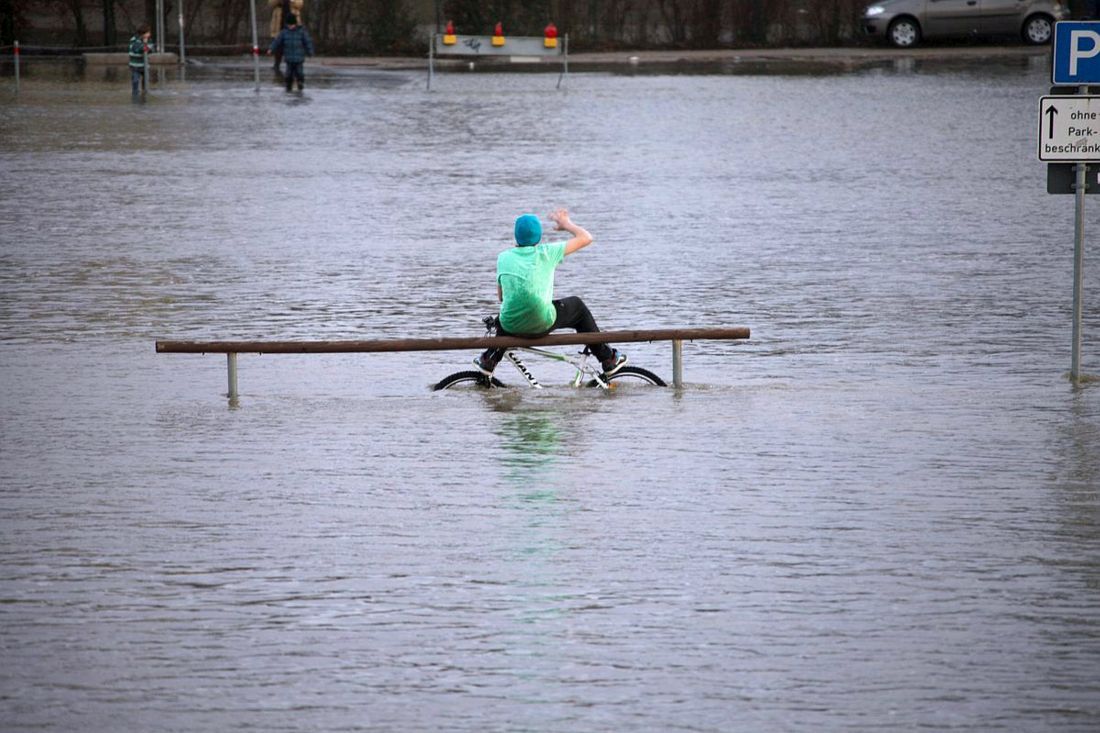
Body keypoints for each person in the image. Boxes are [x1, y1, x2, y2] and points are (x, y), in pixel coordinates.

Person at [475, 209, 627, 377]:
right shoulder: (547, 252)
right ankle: (607, 358)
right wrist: (566, 224)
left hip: (511, 326)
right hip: (541, 323)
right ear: (539, 237)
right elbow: (586, 238)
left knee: (506, 315)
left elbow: (501, 297)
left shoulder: (504, 257)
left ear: (516, 236)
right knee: (577, 306)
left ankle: (490, 359)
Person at [268, 13, 314, 92]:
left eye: (292, 25)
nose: (290, 26)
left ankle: (300, 83)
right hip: (289, 57)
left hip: (299, 57)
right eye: (289, 25)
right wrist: (271, 49)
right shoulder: (284, 32)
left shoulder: (301, 32)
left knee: (299, 72)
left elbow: (307, 42)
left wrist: (310, 51)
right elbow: (277, 41)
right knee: (288, 73)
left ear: (295, 24)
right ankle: (288, 84)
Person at [268, 0, 304, 73]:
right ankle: (277, 64)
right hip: (279, 20)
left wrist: (292, 1)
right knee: (278, 43)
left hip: (292, 18)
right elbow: (270, 4)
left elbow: (300, 4)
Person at [128, 26, 152, 96]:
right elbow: (136, 49)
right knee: (135, 80)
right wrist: (144, 45)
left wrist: (146, 47)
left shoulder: (149, 40)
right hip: (135, 65)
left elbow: (150, 48)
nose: (149, 34)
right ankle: (135, 93)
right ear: (143, 33)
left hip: (144, 65)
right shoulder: (134, 39)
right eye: (148, 33)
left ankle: (144, 92)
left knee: (146, 81)